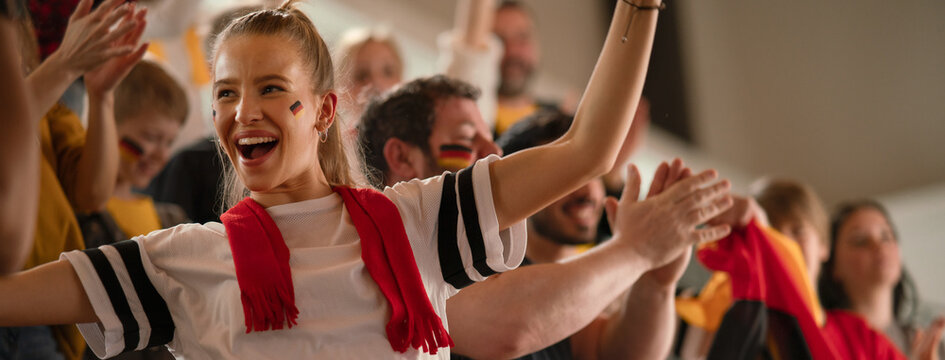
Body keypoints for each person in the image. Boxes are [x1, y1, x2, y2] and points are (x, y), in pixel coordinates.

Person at [0, 0, 697, 358]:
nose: (243, 112)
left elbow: (586, 149)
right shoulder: (181, 259)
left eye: (272, 88)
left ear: (325, 111)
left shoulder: (419, 220)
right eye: (226, 94)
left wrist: (638, 7)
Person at [358, 77, 731, 359]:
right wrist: (636, 249)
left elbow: (612, 351)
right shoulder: (390, 256)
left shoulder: (500, 265)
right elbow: (511, 330)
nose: (493, 154)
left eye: (490, 139)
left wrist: (656, 281)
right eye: (469, 140)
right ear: (401, 158)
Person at [1, 0, 148, 358]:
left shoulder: (50, 110)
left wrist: (101, 95)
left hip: (41, 309)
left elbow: (92, 194)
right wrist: (65, 64)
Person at [78, 60, 189, 251]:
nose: (162, 155)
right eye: (151, 137)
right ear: (106, 124)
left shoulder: (172, 220)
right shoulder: (81, 220)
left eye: (169, 142)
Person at [820, 200, 945, 359]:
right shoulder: (822, 339)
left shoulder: (930, 345)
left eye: (886, 236)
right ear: (832, 266)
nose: (878, 246)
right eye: (860, 241)